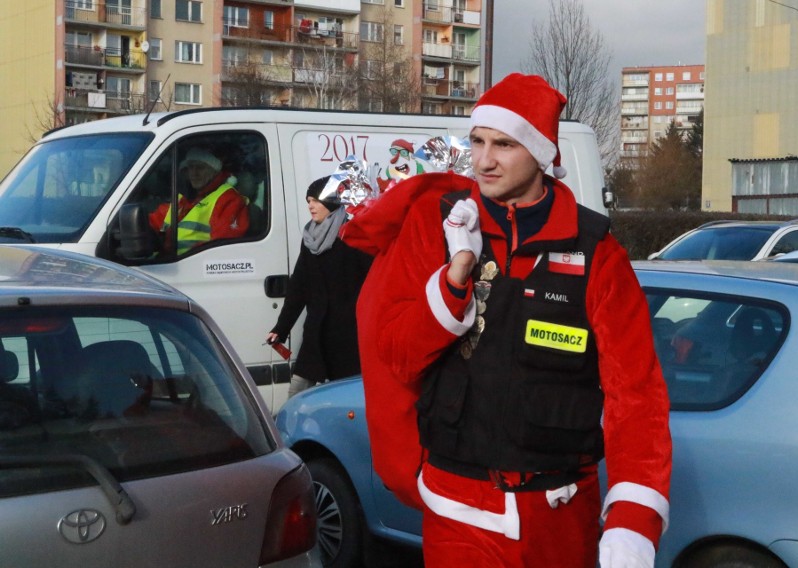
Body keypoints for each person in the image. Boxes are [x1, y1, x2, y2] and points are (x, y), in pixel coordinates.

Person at [340, 73, 672, 567]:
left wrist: (632, 521)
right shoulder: (437, 227)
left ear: (540, 154)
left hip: (560, 516)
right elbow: (398, 357)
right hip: (458, 510)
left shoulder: (598, 253)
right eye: (477, 141)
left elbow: (636, 395)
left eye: (504, 144)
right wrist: (456, 279)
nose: (483, 160)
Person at [266, 176, 372, 399]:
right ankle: (287, 432)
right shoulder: (310, 238)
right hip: (317, 333)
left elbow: (372, 284)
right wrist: (281, 328)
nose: (310, 206)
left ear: (332, 202)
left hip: (347, 336)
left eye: (316, 201)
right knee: (297, 392)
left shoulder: (352, 235)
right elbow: (299, 287)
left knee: (344, 397)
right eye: (308, 200)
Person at [148, 147, 249, 255]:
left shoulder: (228, 199)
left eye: (200, 168)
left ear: (213, 170)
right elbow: (150, 224)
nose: (194, 173)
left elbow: (221, 249)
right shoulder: (183, 200)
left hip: (192, 267)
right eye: (190, 167)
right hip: (167, 266)